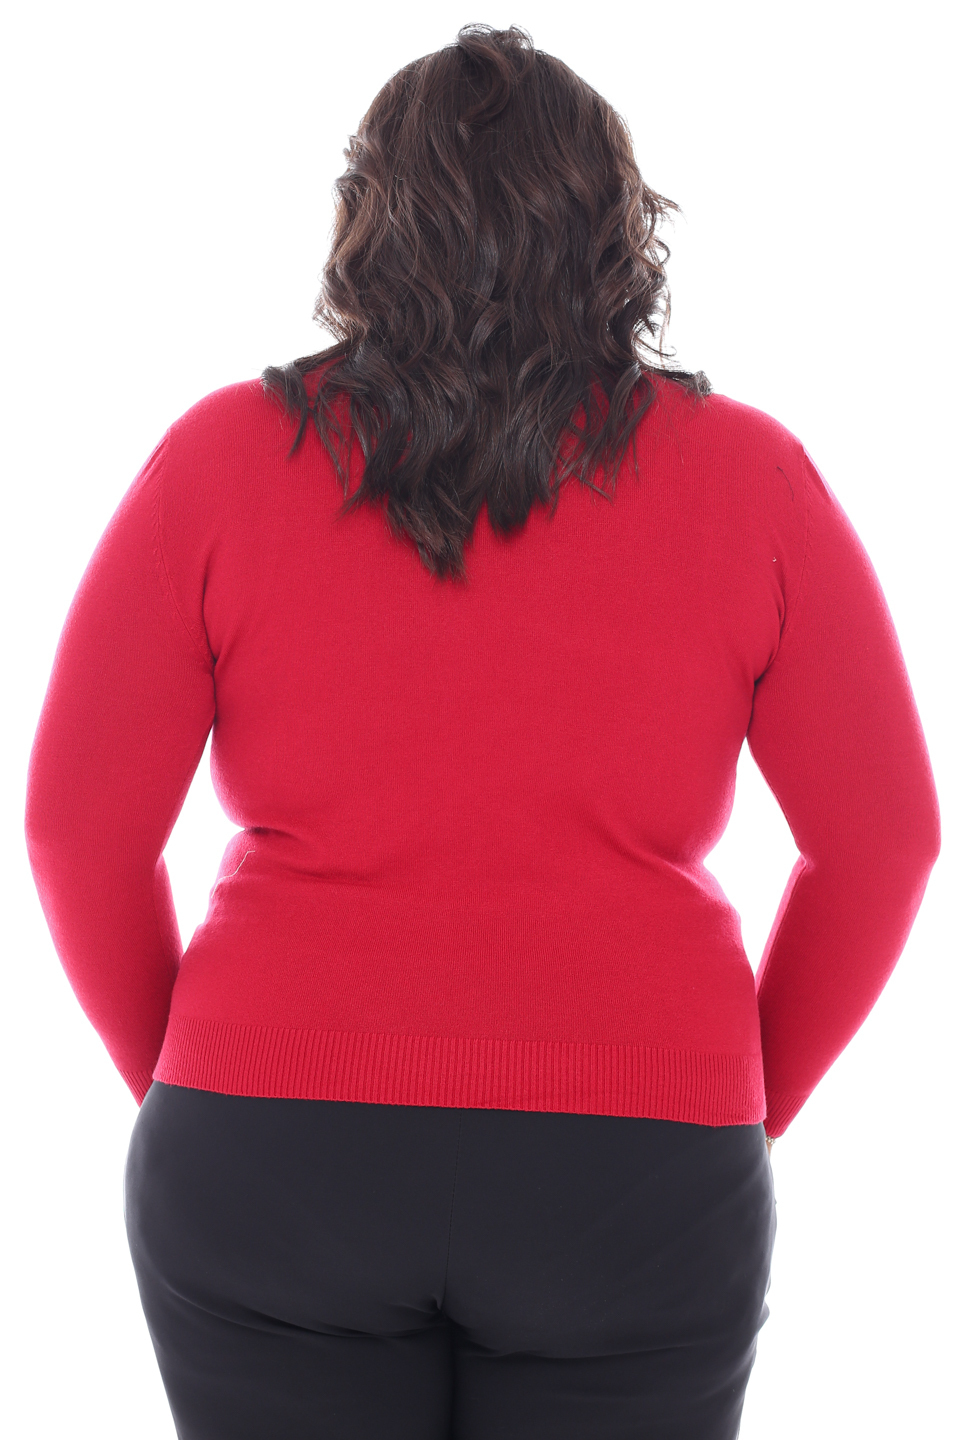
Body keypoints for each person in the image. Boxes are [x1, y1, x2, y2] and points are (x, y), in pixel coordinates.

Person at [23, 22, 940, 1440]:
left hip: (269, 1156)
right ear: (618, 233)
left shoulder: (221, 456)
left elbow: (75, 830)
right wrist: (733, 1096)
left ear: (366, 221)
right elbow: (885, 844)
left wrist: (206, 1073)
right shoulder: (751, 476)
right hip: (637, 1173)